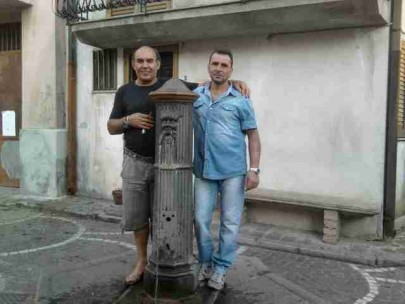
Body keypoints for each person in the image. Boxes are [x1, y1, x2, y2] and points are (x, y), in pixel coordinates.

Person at [107, 46, 250, 285]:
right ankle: (142, 261)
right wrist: (127, 120)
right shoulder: (125, 91)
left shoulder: (170, 85)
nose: (145, 65)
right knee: (137, 216)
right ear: (133, 64)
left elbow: (211, 83)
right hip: (134, 160)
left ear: (157, 64)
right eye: (140, 61)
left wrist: (234, 81)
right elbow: (111, 126)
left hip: (168, 164)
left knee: (165, 214)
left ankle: (164, 257)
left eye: (149, 61)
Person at [193, 50, 261, 291]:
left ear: (231, 70)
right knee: (200, 220)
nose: (219, 68)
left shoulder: (241, 100)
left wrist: (254, 169)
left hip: (233, 172)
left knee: (230, 223)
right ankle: (205, 263)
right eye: (215, 63)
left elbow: (253, 136)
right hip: (203, 170)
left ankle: (221, 268)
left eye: (224, 65)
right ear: (208, 66)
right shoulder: (196, 96)